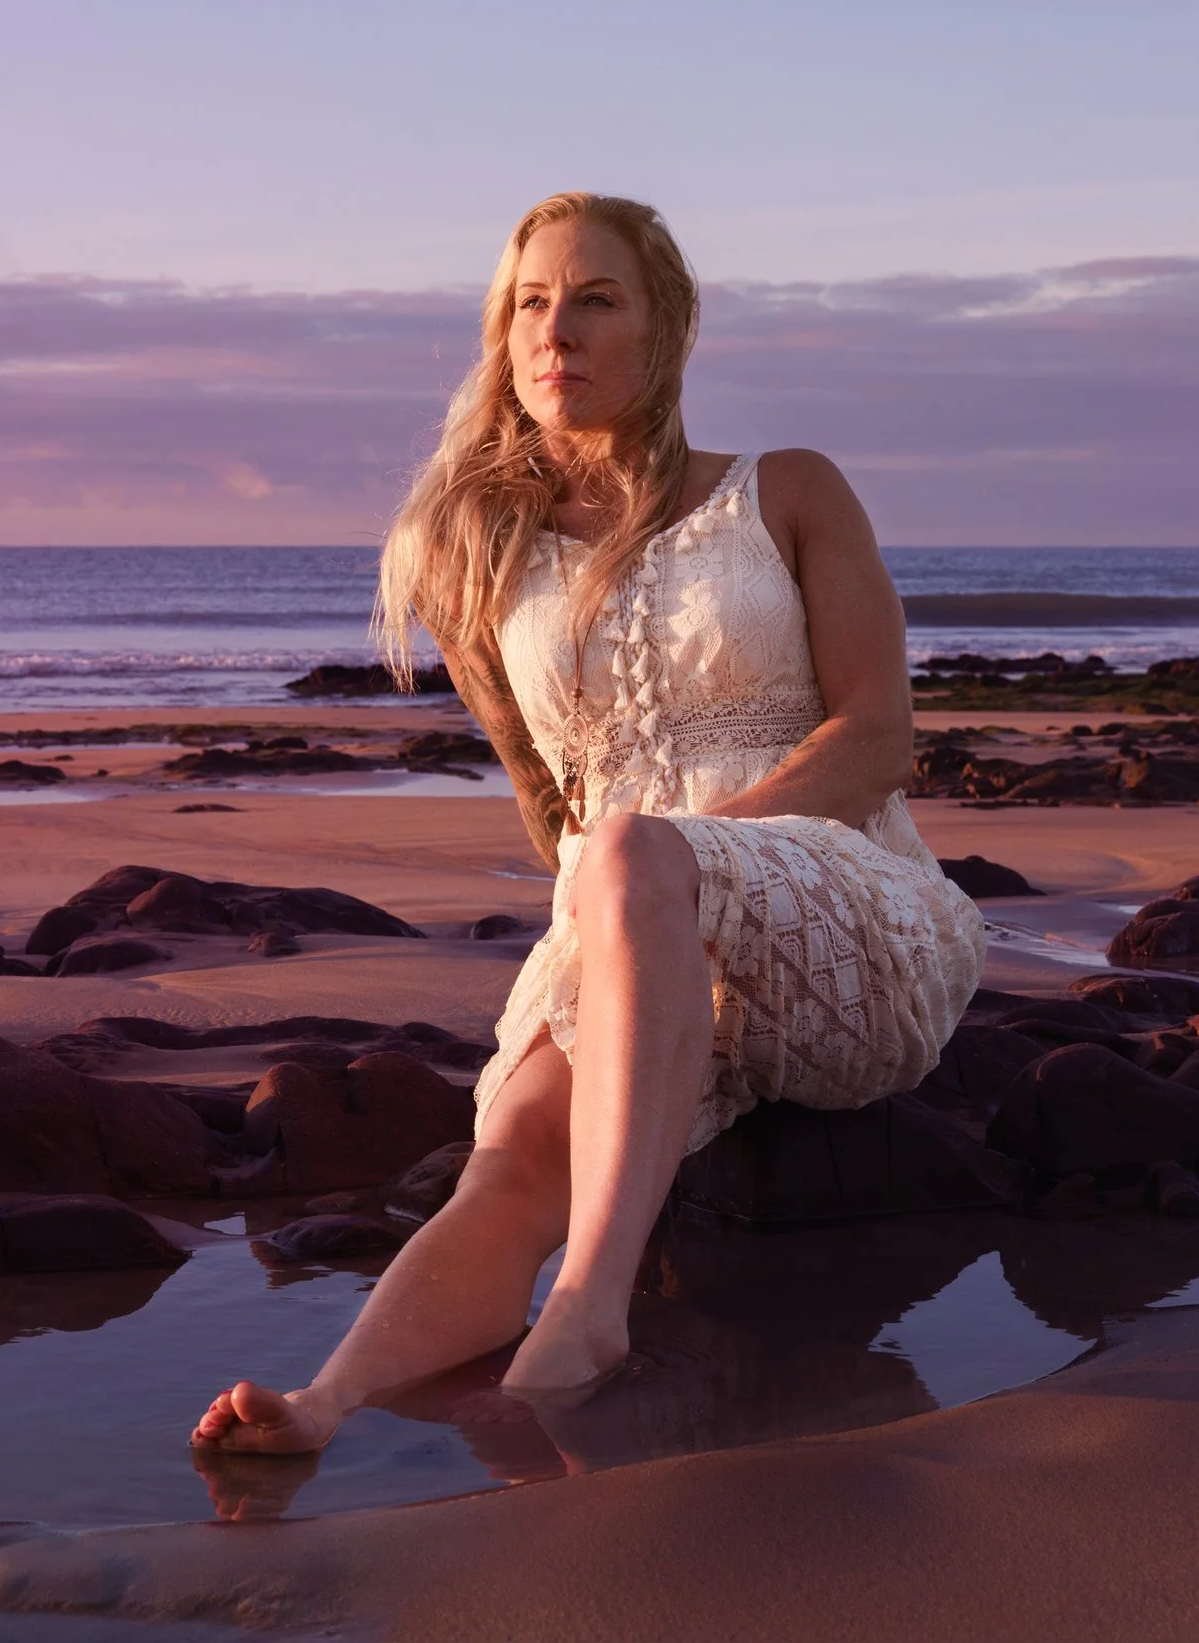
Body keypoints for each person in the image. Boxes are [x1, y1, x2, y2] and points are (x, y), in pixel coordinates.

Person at [191, 191, 986, 1456]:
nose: (556, 330)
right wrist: (626, 913)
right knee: (510, 1153)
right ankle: (324, 1404)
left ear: (663, 327)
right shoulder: (475, 558)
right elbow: (546, 802)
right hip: (635, 931)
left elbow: (878, 738)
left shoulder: (786, 490)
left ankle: (591, 1304)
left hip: (846, 909)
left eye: (595, 299)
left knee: (626, 852)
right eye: (530, 304)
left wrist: (687, 861)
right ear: (503, 342)